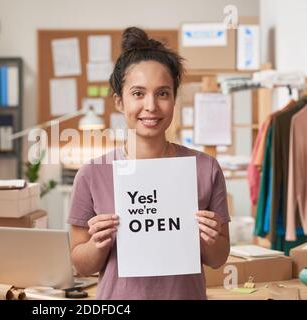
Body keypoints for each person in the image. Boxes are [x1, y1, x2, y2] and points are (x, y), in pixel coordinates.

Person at [68, 27, 230, 300]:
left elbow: (217, 259)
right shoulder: (92, 174)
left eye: (163, 93)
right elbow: (82, 265)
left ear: (174, 99)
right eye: (138, 93)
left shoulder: (205, 168)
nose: (151, 106)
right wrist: (98, 244)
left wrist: (210, 238)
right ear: (119, 101)